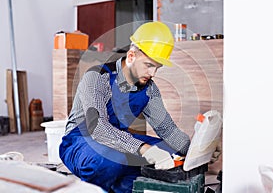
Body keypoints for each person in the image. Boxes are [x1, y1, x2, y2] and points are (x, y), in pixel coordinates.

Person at [59, 21, 191, 193]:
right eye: (149, 65)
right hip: (81, 140)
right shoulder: (97, 77)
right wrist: (143, 149)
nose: (152, 74)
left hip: (118, 139)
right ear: (131, 56)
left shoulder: (149, 88)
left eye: (157, 67)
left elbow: (167, 129)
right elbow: (98, 128)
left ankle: (122, 186)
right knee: (112, 160)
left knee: (170, 151)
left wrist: (195, 147)